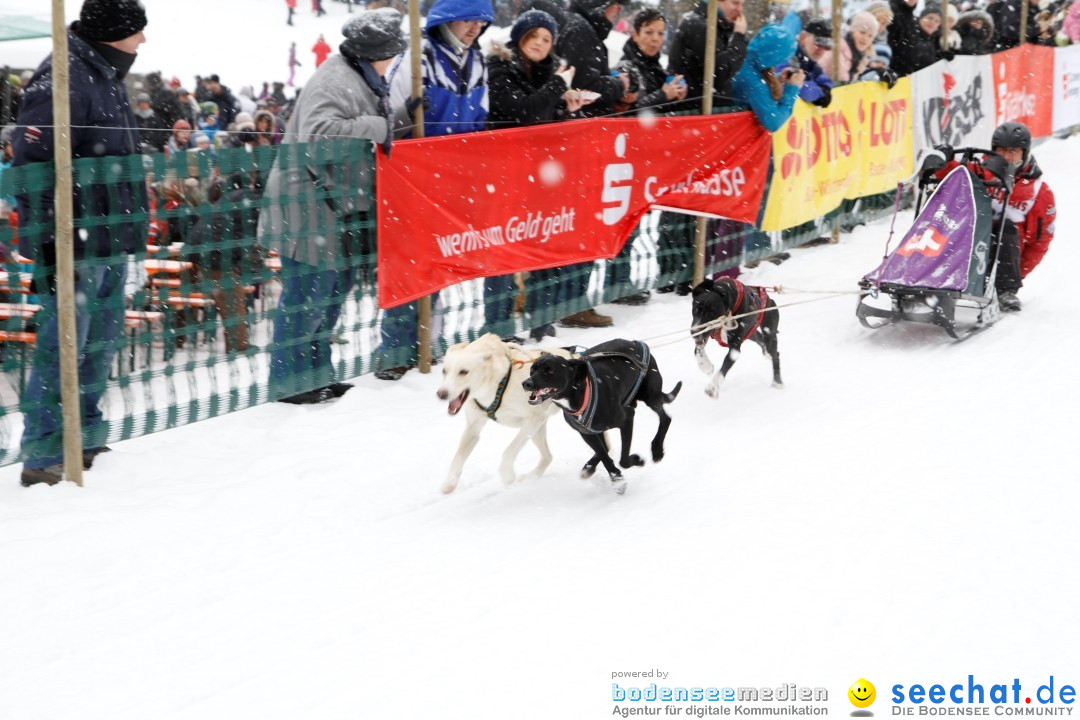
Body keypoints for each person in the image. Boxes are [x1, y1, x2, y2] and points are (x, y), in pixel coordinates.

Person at [12, 0, 149, 486]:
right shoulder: (64, 75)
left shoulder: (103, 73)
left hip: (109, 233)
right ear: (114, 33)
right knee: (63, 345)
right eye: (137, 31)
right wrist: (45, 236)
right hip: (74, 237)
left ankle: (85, 432)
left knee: (100, 342)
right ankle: (45, 450)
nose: (143, 41)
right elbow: (31, 159)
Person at [260, 8, 407, 402]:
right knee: (307, 297)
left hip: (329, 207)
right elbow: (319, 137)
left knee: (328, 295)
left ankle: (315, 375)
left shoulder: (360, 74)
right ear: (380, 51)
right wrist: (378, 128)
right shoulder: (335, 80)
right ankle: (291, 384)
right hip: (306, 203)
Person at [383, 0, 496, 378]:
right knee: (409, 264)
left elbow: (479, 118)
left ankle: (429, 344)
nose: (475, 29)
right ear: (448, 18)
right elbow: (390, 115)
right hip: (412, 180)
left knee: (438, 263)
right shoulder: (418, 58)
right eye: (469, 20)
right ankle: (396, 352)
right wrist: (406, 123)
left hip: (454, 180)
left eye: (481, 23)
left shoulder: (477, 62)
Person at [486, 8, 594, 340]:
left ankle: (541, 318)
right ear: (520, 38)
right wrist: (558, 86)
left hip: (542, 177)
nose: (540, 43)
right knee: (503, 254)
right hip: (505, 174)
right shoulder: (500, 68)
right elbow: (523, 112)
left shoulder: (549, 72)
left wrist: (566, 108)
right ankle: (499, 327)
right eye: (534, 36)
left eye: (547, 39)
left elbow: (545, 116)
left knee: (543, 247)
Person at [604, 7, 688, 307]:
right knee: (627, 223)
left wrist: (675, 95)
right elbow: (630, 112)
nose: (655, 39)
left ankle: (626, 282)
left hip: (650, 158)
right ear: (635, 33)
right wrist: (663, 97)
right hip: (627, 157)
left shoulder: (655, 66)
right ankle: (617, 284)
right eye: (649, 32)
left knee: (639, 221)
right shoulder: (628, 67)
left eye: (660, 33)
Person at [936, 122, 1056, 312]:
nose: (1007, 157)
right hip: (965, 244)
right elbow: (951, 174)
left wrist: (1015, 276)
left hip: (1000, 259)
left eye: (1013, 151)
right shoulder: (981, 172)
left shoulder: (1039, 192)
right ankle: (925, 271)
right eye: (1001, 151)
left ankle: (1004, 291)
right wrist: (943, 160)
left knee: (1005, 226)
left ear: (1024, 153)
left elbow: (1039, 243)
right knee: (944, 215)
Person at [555, 0, 628, 119]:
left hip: (583, 122)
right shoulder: (581, 30)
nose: (618, 9)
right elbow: (585, 89)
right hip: (584, 125)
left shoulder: (581, 25)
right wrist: (620, 84)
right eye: (616, 3)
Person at [668, 0, 748, 107]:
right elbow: (720, 73)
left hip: (708, 110)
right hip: (695, 112)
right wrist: (738, 36)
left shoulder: (721, 26)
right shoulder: (699, 26)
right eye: (735, 3)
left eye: (742, 4)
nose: (740, 10)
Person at [732, 19, 803, 133]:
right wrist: (792, 89)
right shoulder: (752, 80)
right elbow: (774, 122)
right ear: (775, 56)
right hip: (741, 138)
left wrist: (778, 80)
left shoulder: (747, 58)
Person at [887, 0, 942, 76]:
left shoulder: (934, 43)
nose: (932, 23)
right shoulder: (908, 31)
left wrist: (942, 59)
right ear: (921, 17)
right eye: (930, 18)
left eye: (937, 21)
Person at [794, 19, 835, 105]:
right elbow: (800, 88)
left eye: (827, 46)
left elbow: (825, 79)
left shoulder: (810, 62)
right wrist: (820, 93)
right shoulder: (791, 57)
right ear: (803, 38)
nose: (821, 50)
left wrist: (825, 88)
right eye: (818, 43)